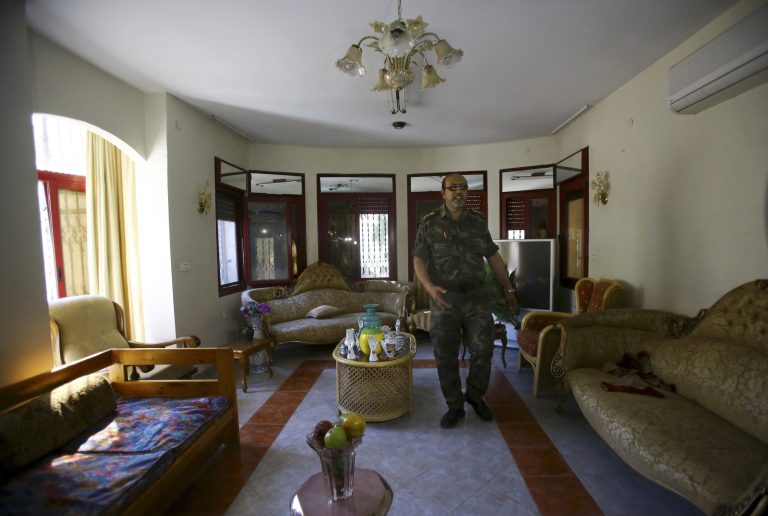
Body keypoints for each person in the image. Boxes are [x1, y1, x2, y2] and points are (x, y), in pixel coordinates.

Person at [413, 173, 517, 428]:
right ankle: (454, 405)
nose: (458, 192)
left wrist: (509, 290)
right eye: (452, 188)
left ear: (467, 192)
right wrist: (428, 287)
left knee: (483, 350)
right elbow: (418, 258)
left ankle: (475, 396)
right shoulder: (429, 223)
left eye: (462, 187)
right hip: (444, 298)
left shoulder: (477, 222)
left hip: (476, 297)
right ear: (443, 193)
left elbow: (493, 257)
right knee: (445, 354)